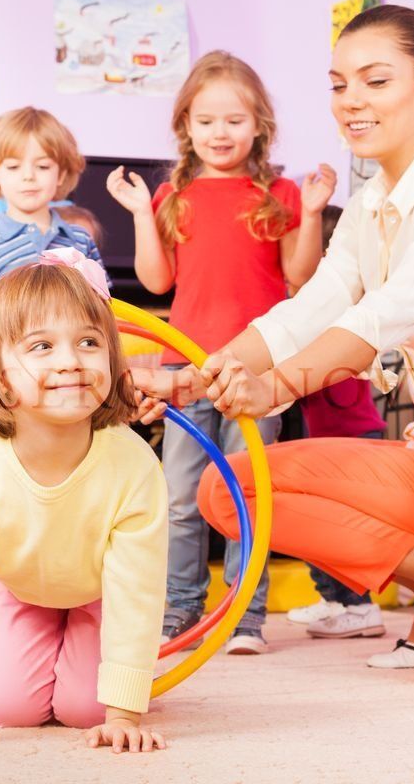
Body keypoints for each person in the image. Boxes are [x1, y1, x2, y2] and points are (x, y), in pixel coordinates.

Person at [134, 4, 414, 684]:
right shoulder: (372, 204)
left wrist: (274, 387)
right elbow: (308, 307)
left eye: (375, 81)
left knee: (232, 491)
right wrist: (194, 377)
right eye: (339, 85)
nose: (351, 102)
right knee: (225, 493)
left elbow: (381, 319)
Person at [0, 257, 168, 754]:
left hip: (98, 592)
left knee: (86, 711)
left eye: (89, 342)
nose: (71, 361)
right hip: (22, 587)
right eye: (41, 346)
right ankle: (39, 635)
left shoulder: (133, 462)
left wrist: (124, 714)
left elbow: (138, 590)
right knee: (11, 709)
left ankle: (92, 656)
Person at [106, 50, 325, 654]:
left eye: (234, 120)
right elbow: (155, 282)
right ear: (186, 127)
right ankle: (180, 610)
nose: (220, 133)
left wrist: (309, 216)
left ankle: (244, 617)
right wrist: (139, 215)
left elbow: (299, 276)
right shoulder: (173, 195)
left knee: (245, 492)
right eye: (206, 122)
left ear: (259, 125)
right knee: (178, 497)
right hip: (183, 370)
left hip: (256, 371)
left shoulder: (276, 192)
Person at [285, 204, 392, 641]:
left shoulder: (345, 315)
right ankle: (335, 600)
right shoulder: (316, 312)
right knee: (316, 526)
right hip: (332, 438)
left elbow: (335, 381)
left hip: (353, 439)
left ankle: (359, 607)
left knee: (337, 529)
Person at [0, 107, 106, 298]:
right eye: (13, 167)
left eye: (43, 166)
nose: (28, 176)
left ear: (61, 174)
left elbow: (102, 309)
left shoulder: (82, 239)